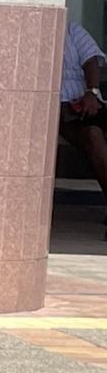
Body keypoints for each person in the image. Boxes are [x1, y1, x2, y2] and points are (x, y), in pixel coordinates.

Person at [59, 21, 107, 238]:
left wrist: (92, 92)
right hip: (63, 109)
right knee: (94, 137)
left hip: (87, 101)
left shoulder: (71, 29)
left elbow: (91, 58)